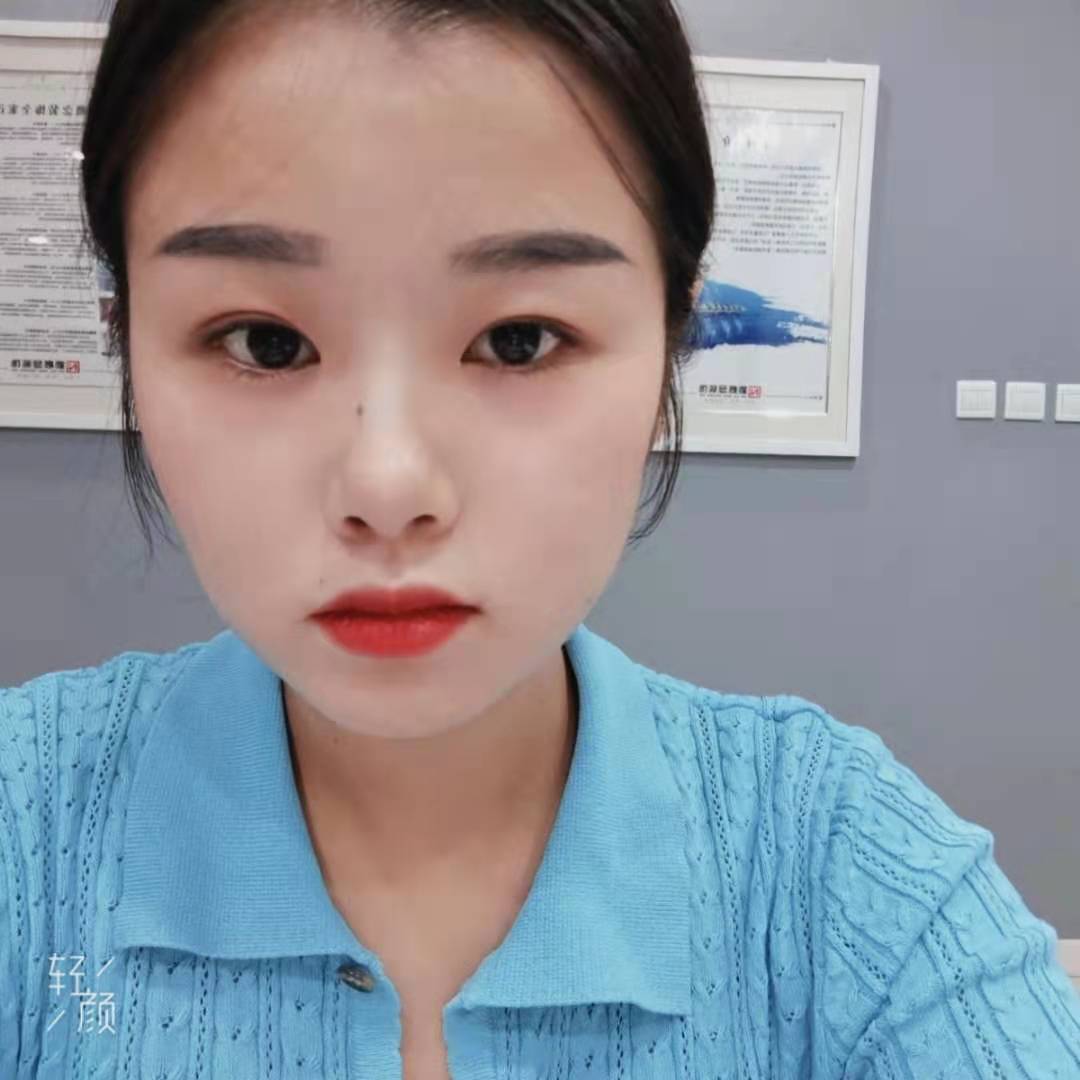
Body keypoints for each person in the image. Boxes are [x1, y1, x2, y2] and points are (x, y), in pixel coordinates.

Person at [2, 1, 1078, 1077]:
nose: (388, 486)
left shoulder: (848, 873)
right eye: (265, 342)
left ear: (670, 341)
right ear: (128, 342)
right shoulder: (27, 828)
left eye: (519, 340)